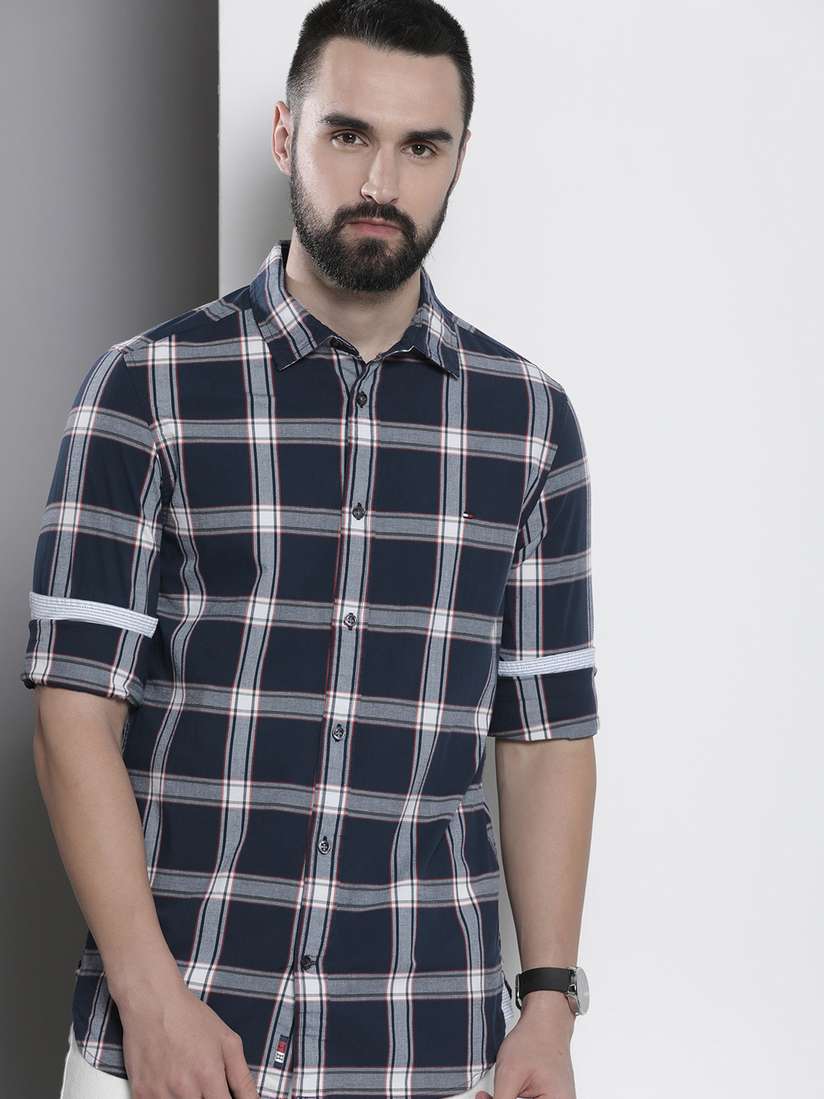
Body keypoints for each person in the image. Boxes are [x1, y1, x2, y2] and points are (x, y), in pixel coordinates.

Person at [22, 2, 599, 1098]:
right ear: (287, 134)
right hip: (170, 1040)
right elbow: (73, 713)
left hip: (429, 1047)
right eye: (348, 133)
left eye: (421, 146)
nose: (380, 180)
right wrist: (152, 1000)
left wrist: (547, 1005)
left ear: (459, 159)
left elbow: (545, 735)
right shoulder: (144, 391)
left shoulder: (529, 424)